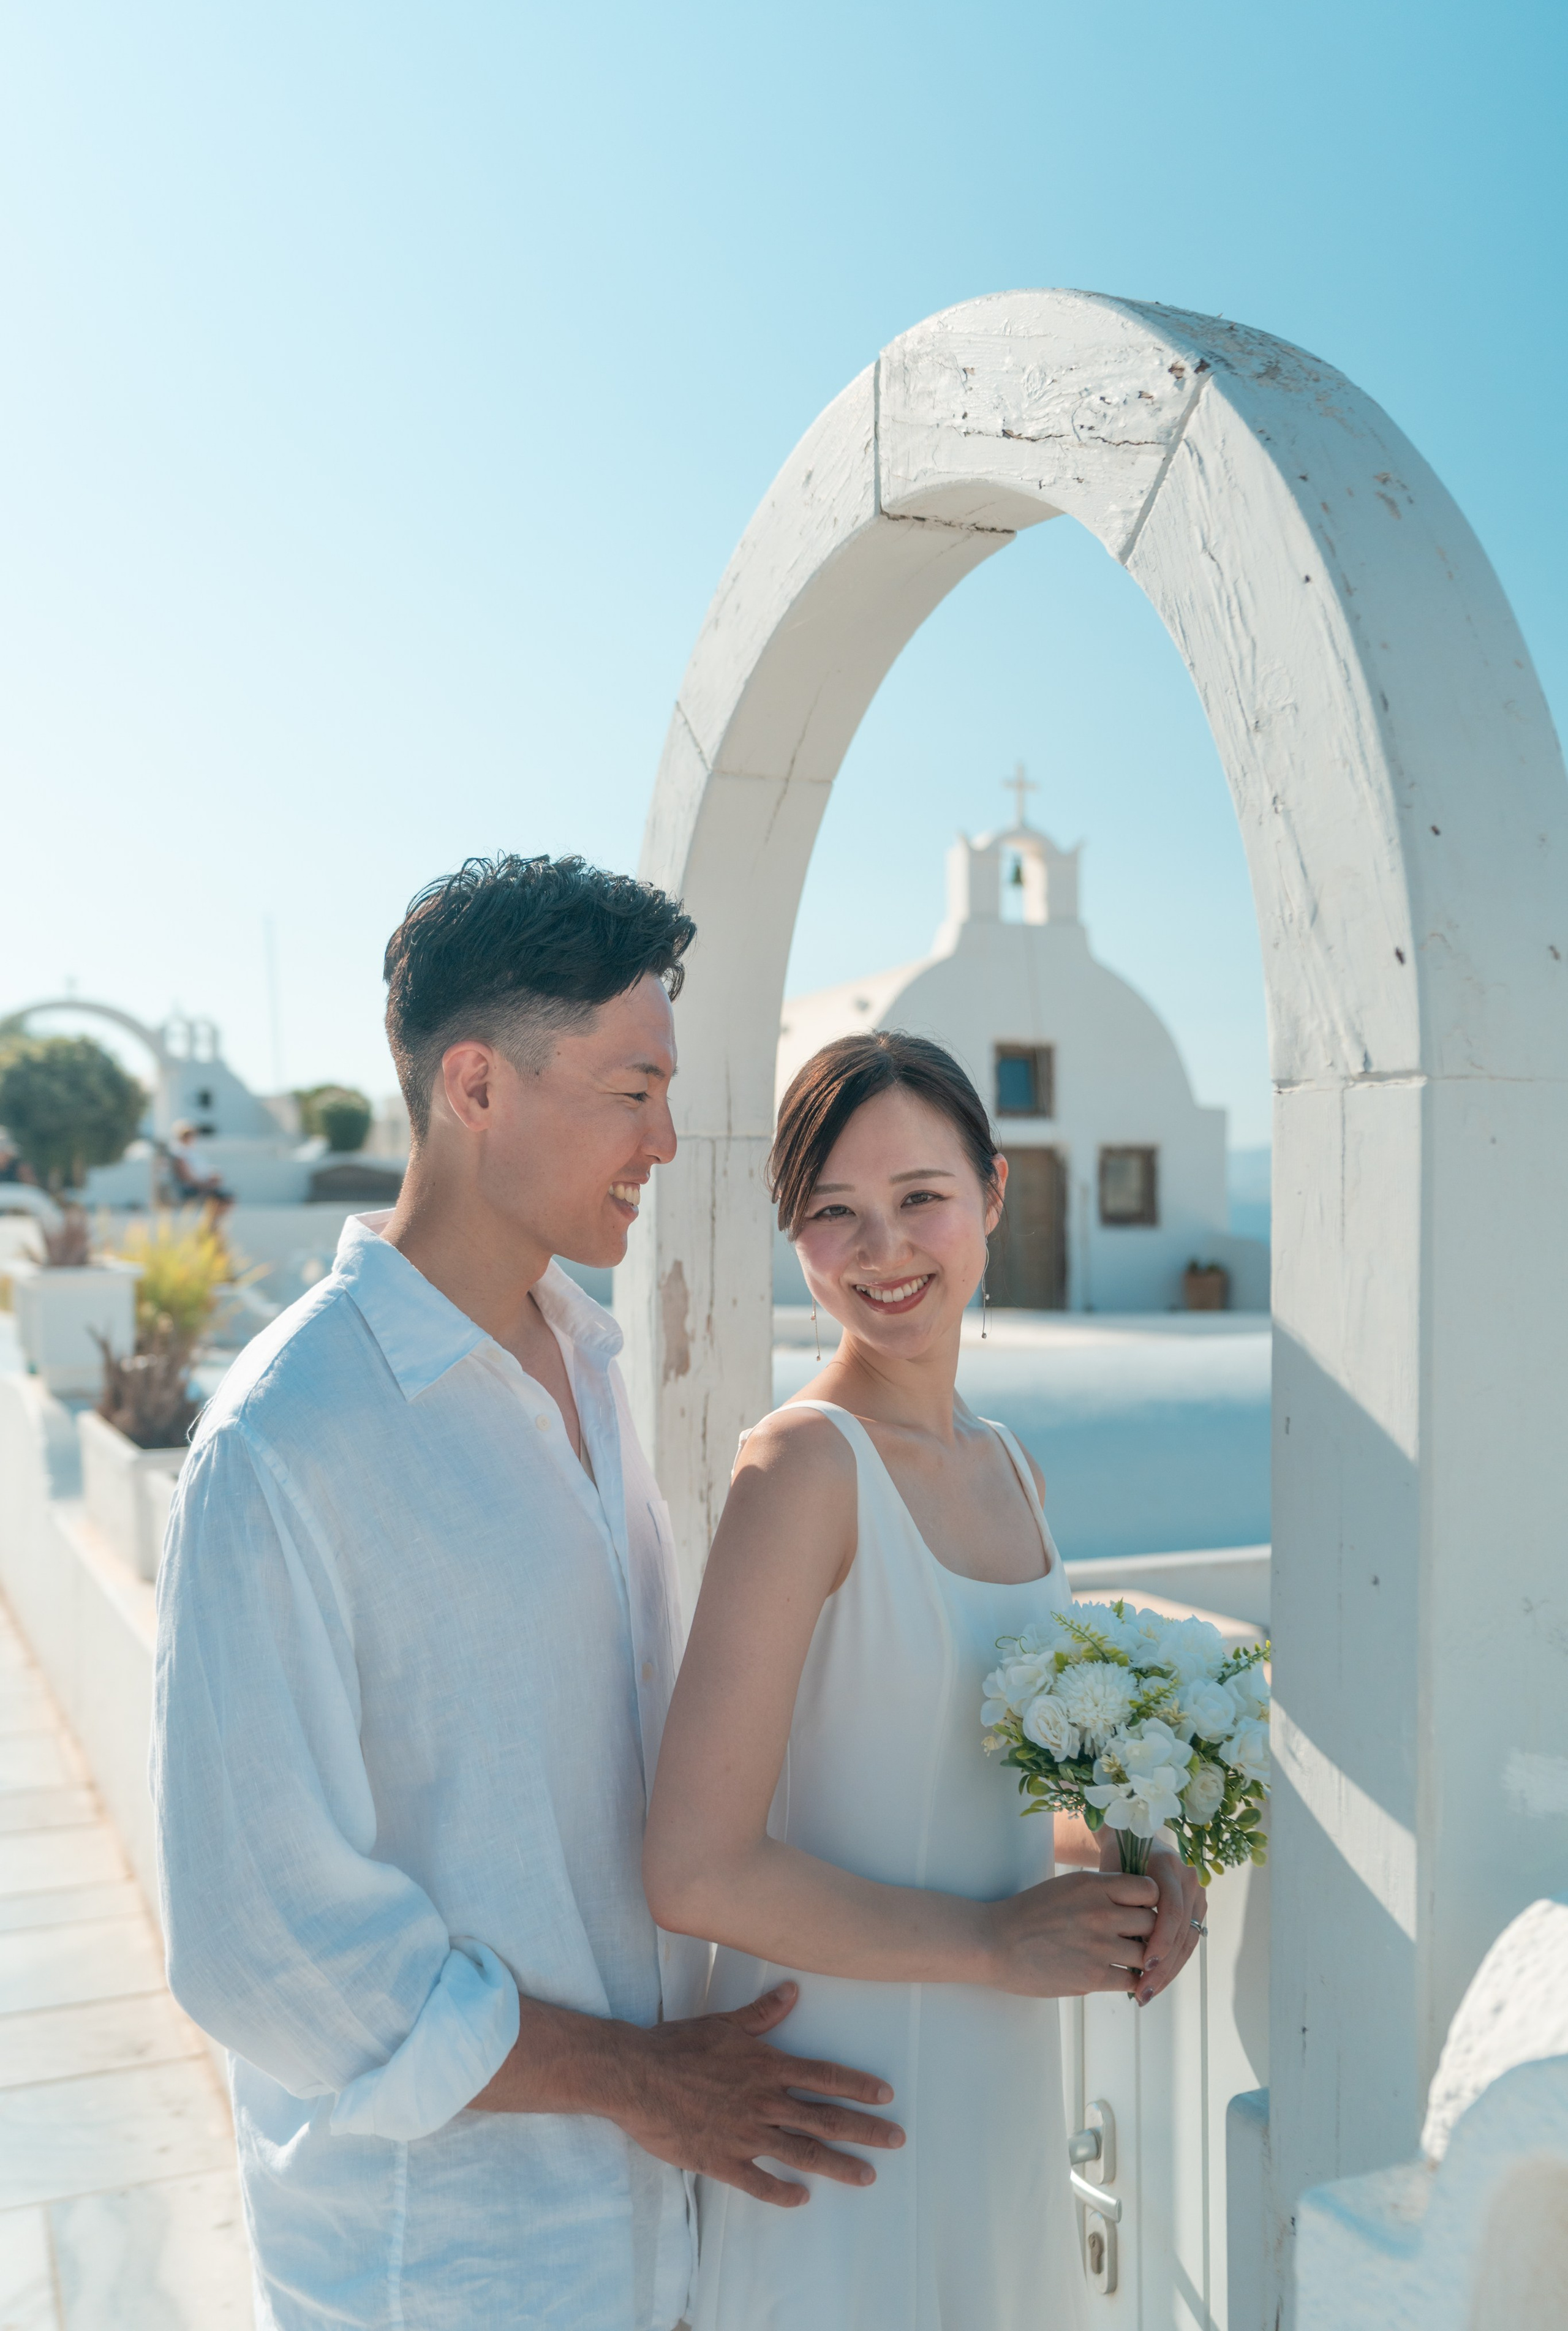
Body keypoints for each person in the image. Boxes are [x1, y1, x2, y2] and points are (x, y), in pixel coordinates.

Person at [153, 855, 899, 2331]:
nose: (668, 1139)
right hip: (444, 2266)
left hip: (658, 2224)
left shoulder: (588, 1360)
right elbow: (261, 1947)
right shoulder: (284, 1444)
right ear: (476, 1087)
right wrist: (640, 2084)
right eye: (632, 1090)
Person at [644, 1031, 1208, 2331]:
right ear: (793, 1235)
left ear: (992, 1195)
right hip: (843, 2109)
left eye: (919, 1199)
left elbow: (969, 1785)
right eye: (832, 1213)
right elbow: (693, 1868)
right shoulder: (799, 1471)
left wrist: (1129, 1860)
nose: (883, 1250)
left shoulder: (1011, 1468)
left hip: (996, 2088)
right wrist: (989, 1944)